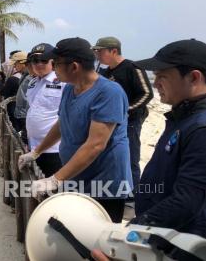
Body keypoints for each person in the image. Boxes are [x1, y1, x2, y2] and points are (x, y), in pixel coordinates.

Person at [92, 39, 206, 260]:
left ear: (193, 77)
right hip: (163, 237)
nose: (156, 84)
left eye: (162, 76)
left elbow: (188, 201)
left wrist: (131, 230)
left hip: (184, 244)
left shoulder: (200, 127)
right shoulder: (182, 118)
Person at [18, 38, 133, 223]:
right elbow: (62, 124)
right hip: (76, 175)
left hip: (104, 182)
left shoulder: (109, 92)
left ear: (74, 67)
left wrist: (55, 179)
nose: (53, 68)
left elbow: (96, 144)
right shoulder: (70, 89)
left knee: (98, 238)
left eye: (56, 64)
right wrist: (36, 152)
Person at [93, 37, 154, 193]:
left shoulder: (133, 67)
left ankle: (133, 196)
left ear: (113, 51)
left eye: (100, 51)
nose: (97, 55)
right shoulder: (105, 72)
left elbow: (147, 93)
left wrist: (126, 110)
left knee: (131, 158)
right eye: (96, 52)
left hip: (131, 121)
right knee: (112, 157)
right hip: (111, 122)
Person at [24, 43, 65, 177]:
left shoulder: (62, 82)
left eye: (44, 60)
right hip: (33, 146)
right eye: (35, 60)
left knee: (54, 190)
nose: (39, 64)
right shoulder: (33, 82)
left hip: (54, 148)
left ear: (53, 61)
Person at [0, 51, 27, 130]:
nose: (14, 66)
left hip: (16, 110)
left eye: (15, 64)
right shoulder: (27, 77)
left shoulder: (13, 79)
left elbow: (3, 92)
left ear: (23, 63)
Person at [14, 53, 36, 145]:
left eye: (16, 63)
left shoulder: (31, 77)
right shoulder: (25, 75)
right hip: (22, 113)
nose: (14, 66)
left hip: (26, 114)